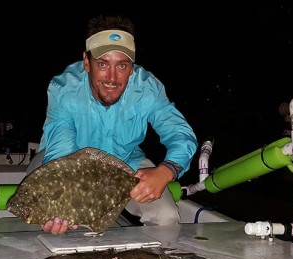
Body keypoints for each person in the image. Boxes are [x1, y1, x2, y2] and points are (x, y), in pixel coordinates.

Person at [28, 15, 198, 234]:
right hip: (65, 160)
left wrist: (166, 171)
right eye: (102, 64)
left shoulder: (147, 88)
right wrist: (63, 194)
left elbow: (181, 134)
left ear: (132, 68)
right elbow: (61, 149)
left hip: (125, 160)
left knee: (166, 216)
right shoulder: (64, 89)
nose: (112, 77)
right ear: (86, 62)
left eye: (122, 65)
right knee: (42, 207)